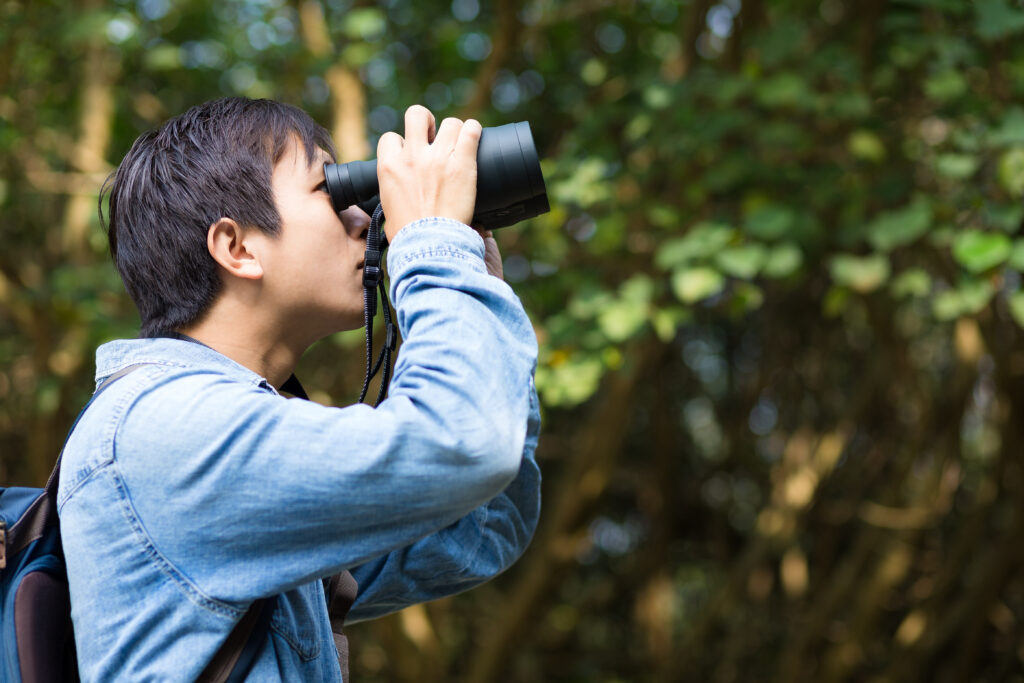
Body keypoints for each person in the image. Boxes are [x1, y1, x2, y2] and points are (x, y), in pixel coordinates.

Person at [57, 96, 541, 681]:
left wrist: (472, 282)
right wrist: (433, 243)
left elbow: (477, 531)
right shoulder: (166, 428)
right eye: (329, 191)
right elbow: (462, 446)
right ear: (237, 248)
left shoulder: (224, 436)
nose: (365, 218)